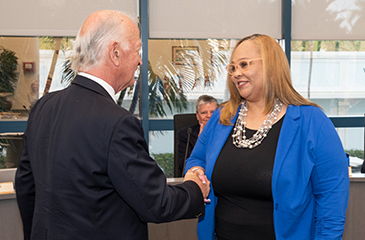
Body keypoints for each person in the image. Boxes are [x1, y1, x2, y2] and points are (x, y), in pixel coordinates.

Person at [15, 10, 209, 240]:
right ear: (115, 53)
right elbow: (156, 203)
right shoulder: (118, 123)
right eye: (137, 50)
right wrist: (195, 188)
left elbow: (26, 187)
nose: (139, 60)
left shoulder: (43, 107)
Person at [184, 34, 349, 240]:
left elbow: (331, 201)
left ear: (271, 65)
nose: (236, 73)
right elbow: (196, 159)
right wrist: (195, 172)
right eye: (233, 67)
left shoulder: (311, 121)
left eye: (244, 64)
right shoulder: (221, 117)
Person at [177, 95, 218, 175]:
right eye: (204, 113)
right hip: (196, 178)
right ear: (198, 116)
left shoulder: (226, 133)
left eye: (213, 112)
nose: (209, 116)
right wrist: (200, 139)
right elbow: (183, 166)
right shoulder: (186, 134)